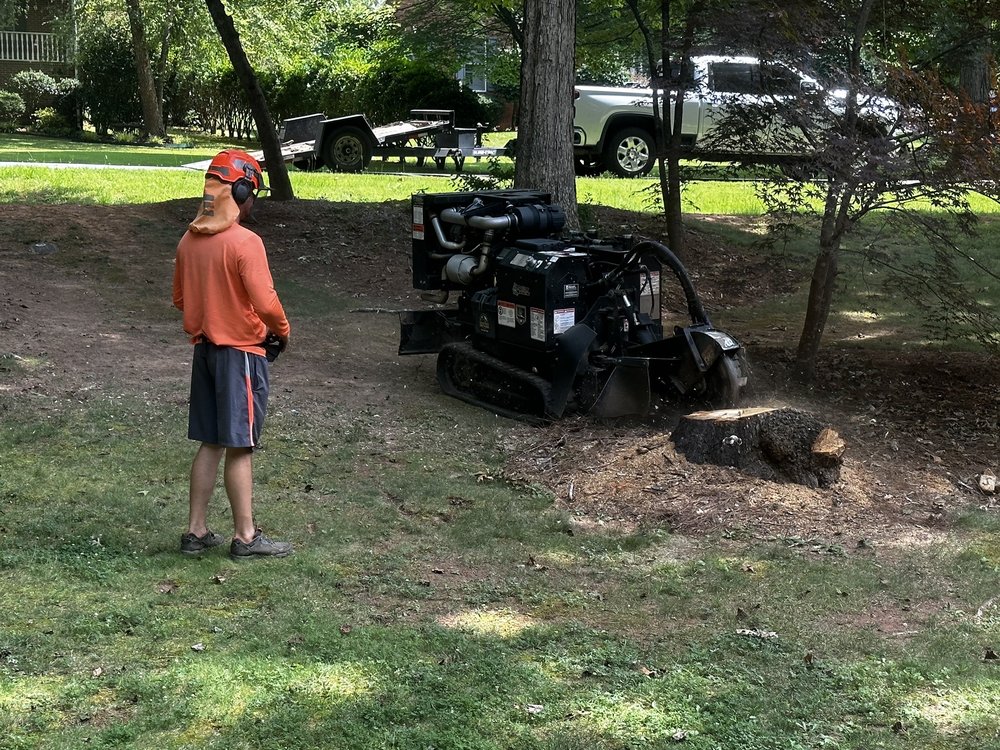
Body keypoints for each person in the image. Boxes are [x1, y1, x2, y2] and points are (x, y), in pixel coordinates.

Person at [172, 149, 293, 560]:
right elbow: (267, 301)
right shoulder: (246, 242)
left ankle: (195, 531)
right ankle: (245, 536)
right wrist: (281, 331)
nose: (253, 200)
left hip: (203, 352)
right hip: (240, 355)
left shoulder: (189, 240)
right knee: (240, 445)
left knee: (210, 440)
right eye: (252, 191)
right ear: (239, 189)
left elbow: (180, 298)